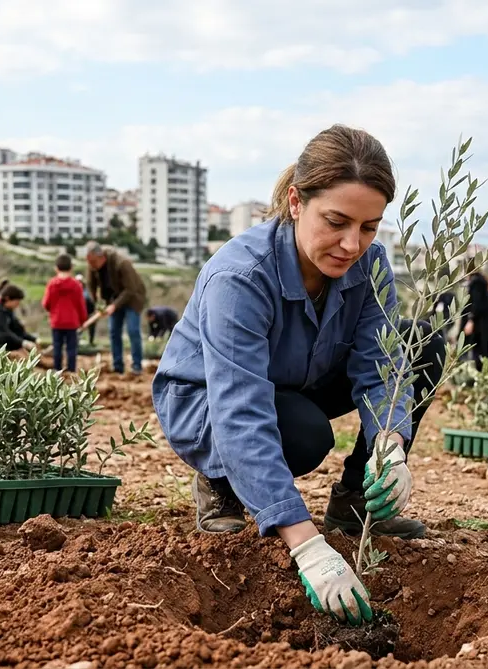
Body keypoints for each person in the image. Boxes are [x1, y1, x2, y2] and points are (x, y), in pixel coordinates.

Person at [152, 125, 444, 626]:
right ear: (295, 202)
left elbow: (382, 363)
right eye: (336, 221)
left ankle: (356, 499)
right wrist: (307, 546)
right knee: (304, 437)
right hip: (211, 401)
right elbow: (241, 408)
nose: (352, 243)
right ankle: (220, 478)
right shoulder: (240, 277)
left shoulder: (369, 265)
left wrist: (390, 444)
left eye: (369, 226)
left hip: (301, 376)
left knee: (423, 345)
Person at [85, 242, 147, 374]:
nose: (92, 266)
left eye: (94, 263)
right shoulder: (93, 266)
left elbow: (130, 289)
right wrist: (97, 303)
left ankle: (137, 366)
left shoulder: (122, 263)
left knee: (133, 330)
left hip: (132, 298)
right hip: (112, 298)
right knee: (114, 332)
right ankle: (118, 365)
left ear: (101, 258)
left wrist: (114, 306)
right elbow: (91, 284)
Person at [42, 254, 88, 372]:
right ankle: (71, 370)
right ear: (71, 268)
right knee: (72, 348)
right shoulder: (76, 285)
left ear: (56, 268)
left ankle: (57, 370)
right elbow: (81, 305)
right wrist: (83, 320)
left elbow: (46, 303)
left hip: (57, 321)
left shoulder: (52, 284)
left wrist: (52, 311)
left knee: (57, 347)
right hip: (72, 322)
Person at [461, 269, 488, 371]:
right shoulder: (485, 289)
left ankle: (482, 374)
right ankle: (484, 374)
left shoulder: (477, 283)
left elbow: (475, 304)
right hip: (484, 326)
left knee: (479, 351)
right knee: (482, 351)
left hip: (479, 326)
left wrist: (471, 320)